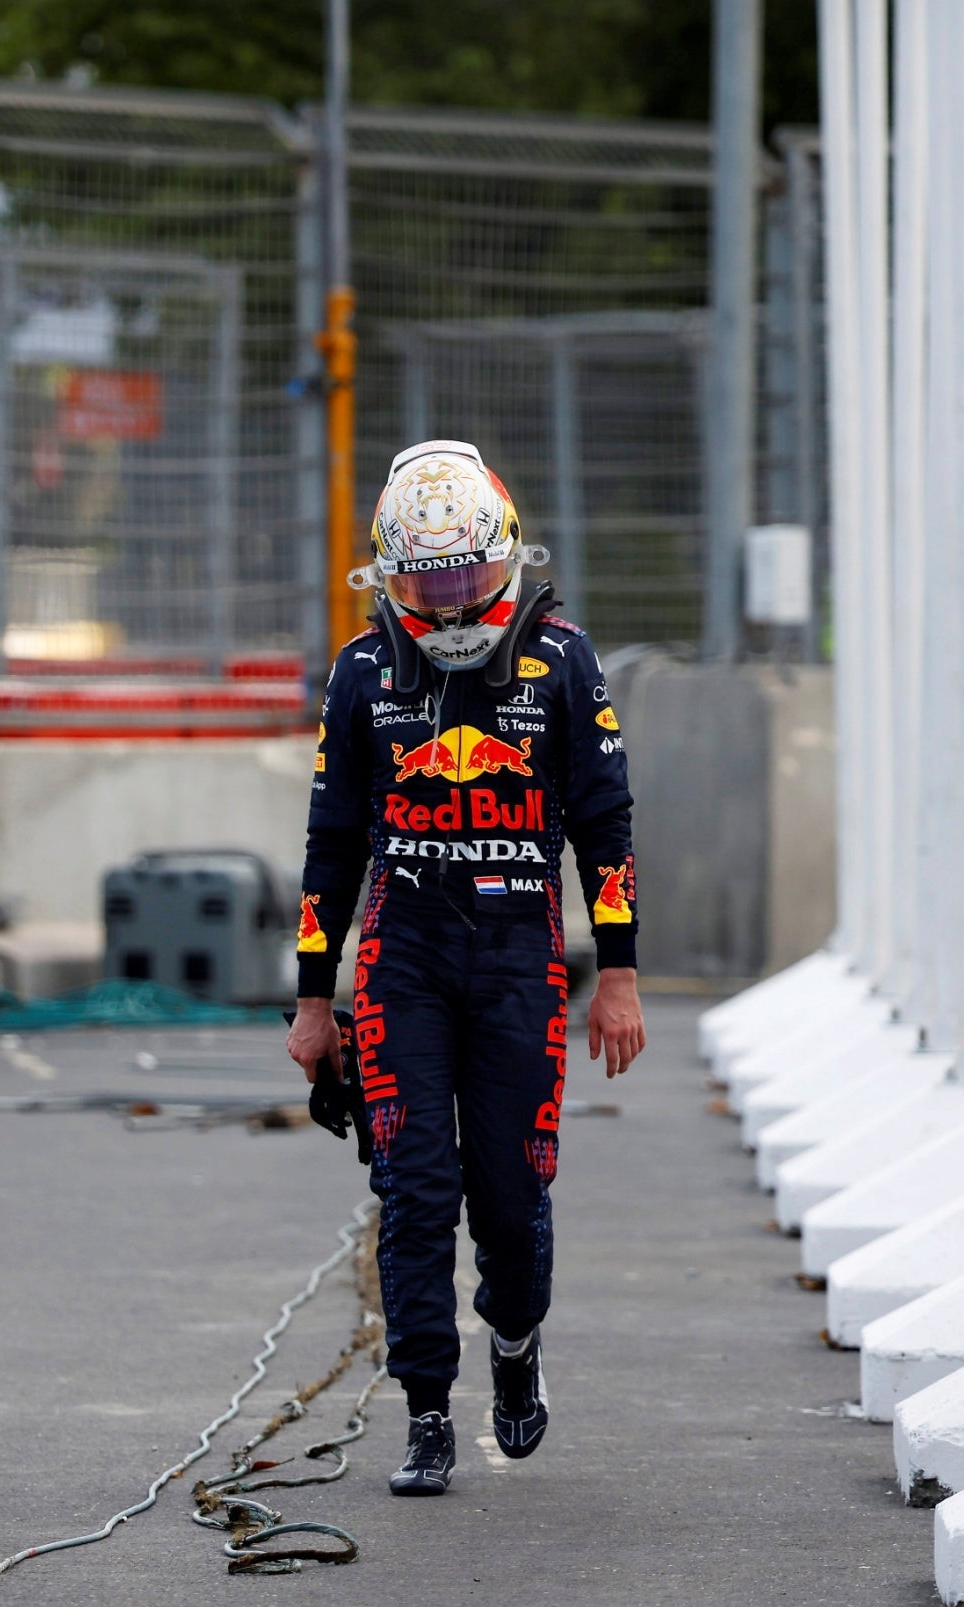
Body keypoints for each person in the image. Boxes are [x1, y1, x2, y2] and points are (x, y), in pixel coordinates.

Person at [287, 440, 646, 1496]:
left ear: (505, 558)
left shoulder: (565, 660)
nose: (445, 604)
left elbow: (605, 824)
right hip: (402, 956)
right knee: (412, 1189)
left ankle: (516, 1339)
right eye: (424, 581)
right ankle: (427, 1413)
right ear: (388, 573)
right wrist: (316, 999)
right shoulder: (359, 671)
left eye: (462, 578)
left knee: (509, 1191)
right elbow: (329, 840)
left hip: (518, 952)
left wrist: (617, 973)